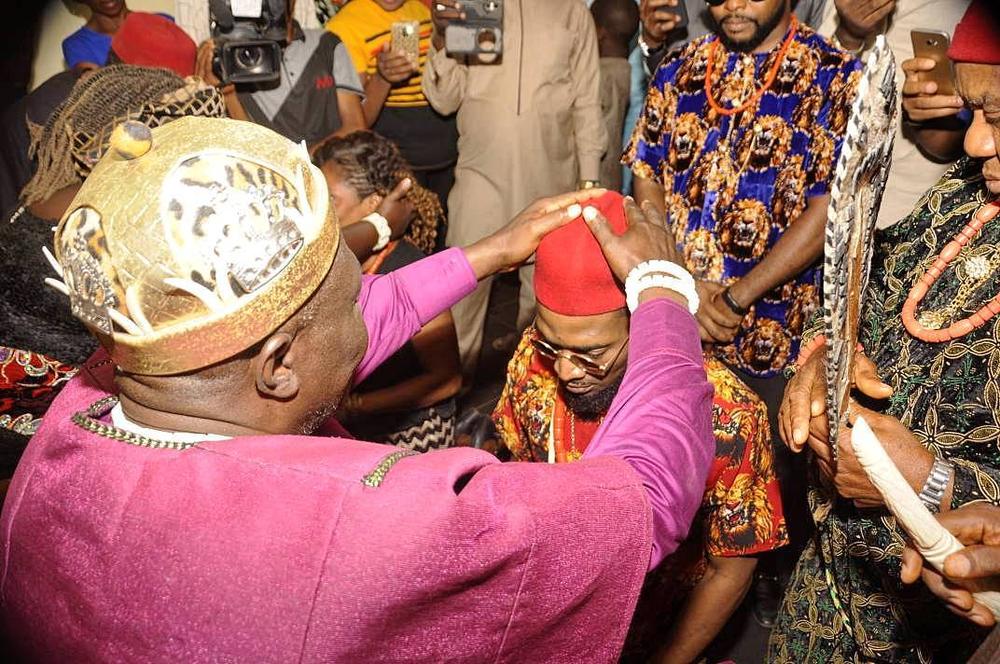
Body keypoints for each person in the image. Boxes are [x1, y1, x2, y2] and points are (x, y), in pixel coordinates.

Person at [0, 115, 715, 660]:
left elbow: (363, 319)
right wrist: (661, 289)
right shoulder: (368, 524)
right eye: (347, 299)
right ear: (279, 366)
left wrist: (492, 251)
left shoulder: (75, 414)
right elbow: (640, 499)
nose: (365, 307)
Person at [770, 2, 1000, 659]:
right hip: (830, 592)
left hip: (943, 631)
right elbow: (859, 291)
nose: (975, 141)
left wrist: (932, 483)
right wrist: (821, 359)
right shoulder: (962, 192)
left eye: (997, 117)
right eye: (972, 111)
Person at [492, 191, 786, 662]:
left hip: (657, 626)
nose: (565, 371)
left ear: (647, 323)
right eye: (553, 346)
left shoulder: (727, 415)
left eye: (592, 354)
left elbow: (729, 570)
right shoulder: (534, 361)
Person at [423, 0, 606, 378]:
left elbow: (588, 100)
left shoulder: (571, 11)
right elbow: (444, 100)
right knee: (462, 293)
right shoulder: (470, 5)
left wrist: (588, 181)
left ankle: (530, 399)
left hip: (553, 178)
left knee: (544, 299)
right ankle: (450, 397)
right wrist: (442, 37)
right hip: (481, 175)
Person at [314, 131, 460, 450]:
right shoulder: (331, 264)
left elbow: (446, 379)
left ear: (374, 204)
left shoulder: (411, 271)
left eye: (331, 200)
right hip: (350, 430)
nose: (317, 210)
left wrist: (356, 406)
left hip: (408, 432)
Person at [819, 0, 971, 227]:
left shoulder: (965, 11)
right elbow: (810, 107)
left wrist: (922, 117)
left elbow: (949, 145)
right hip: (825, 204)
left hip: (904, 215)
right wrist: (849, 34)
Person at [326, 0, 458, 220]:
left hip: (448, 158)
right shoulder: (343, 27)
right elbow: (356, 122)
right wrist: (383, 78)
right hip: (399, 168)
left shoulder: (422, 10)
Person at [194, 0, 366, 148]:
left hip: (335, 165)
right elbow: (247, 145)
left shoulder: (327, 43)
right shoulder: (232, 53)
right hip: (271, 172)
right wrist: (224, 93)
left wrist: (301, 162)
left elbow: (355, 126)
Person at [592, 0, 639, 193]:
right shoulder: (627, 72)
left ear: (599, 33)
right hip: (613, 184)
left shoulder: (601, 78)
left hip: (597, 182)